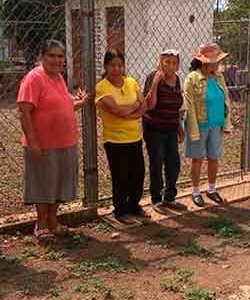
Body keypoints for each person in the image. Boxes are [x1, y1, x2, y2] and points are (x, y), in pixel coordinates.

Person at [17, 39, 88, 238]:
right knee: (43, 184)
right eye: (52, 55)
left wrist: (79, 103)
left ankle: (53, 222)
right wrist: (32, 142)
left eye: (60, 56)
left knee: (58, 184)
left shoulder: (58, 77)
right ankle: (41, 225)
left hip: (65, 142)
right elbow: (24, 112)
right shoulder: (34, 78)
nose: (57, 60)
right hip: (44, 144)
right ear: (42, 57)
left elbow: (61, 106)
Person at [95, 49, 150, 223]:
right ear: (106, 66)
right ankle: (120, 211)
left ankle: (134, 206)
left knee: (138, 174)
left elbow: (145, 105)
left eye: (119, 65)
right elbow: (116, 110)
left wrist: (130, 112)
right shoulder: (102, 86)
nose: (117, 69)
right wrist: (135, 106)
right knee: (121, 176)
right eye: (112, 65)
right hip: (115, 140)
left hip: (134, 138)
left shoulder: (131, 82)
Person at [184, 43, 232, 207]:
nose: (218, 64)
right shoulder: (192, 78)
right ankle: (196, 192)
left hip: (216, 124)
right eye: (216, 61)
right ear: (205, 62)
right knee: (197, 159)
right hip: (200, 125)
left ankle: (211, 189)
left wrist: (227, 123)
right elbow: (189, 104)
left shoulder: (219, 76)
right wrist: (193, 129)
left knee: (214, 158)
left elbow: (226, 99)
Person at [143, 49, 185, 212]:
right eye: (166, 62)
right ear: (160, 63)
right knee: (157, 163)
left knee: (173, 163)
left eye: (174, 63)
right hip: (154, 129)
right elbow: (150, 105)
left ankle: (169, 197)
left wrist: (180, 129)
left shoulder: (177, 80)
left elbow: (176, 108)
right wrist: (155, 83)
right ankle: (156, 199)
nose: (170, 66)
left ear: (178, 65)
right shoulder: (153, 77)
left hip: (171, 128)